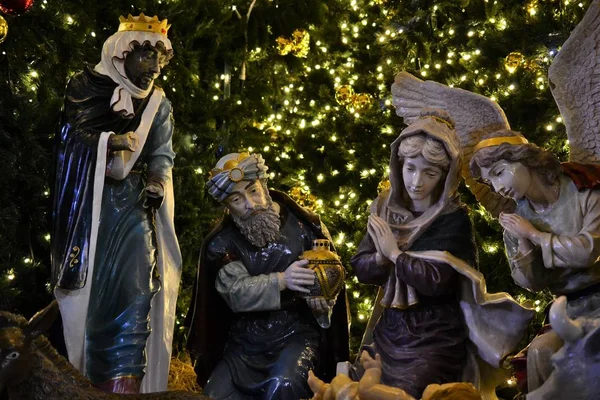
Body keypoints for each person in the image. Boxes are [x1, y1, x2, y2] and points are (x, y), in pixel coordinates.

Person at [50, 13, 181, 394]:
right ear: (123, 54)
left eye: (160, 60)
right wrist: (109, 142)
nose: (154, 68)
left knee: (139, 289)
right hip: (90, 212)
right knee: (92, 299)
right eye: (147, 58)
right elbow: (70, 140)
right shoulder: (84, 87)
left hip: (133, 209)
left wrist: (157, 181)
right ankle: (84, 381)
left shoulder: (157, 104)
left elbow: (162, 154)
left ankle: (125, 386)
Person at [185, 152, 349, 400]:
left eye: (253, 191)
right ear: (227, 207)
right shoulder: (222, 243)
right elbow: (236, 293)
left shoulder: (306, 227)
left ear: (264, 185)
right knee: (216, 394)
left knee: (283, 386)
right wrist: (282, 280)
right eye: (237, 199)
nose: (250, 204)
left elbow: (329, 277)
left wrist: (321, 305)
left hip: (295, 335)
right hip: (244, 345)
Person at [469, 129, 600, 392]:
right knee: (540, 352)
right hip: (568, 309)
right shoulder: (516, 217)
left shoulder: (583, 190)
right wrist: (525, 242)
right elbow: (532, 283)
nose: (497, 188)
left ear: (524, 159)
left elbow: (588, 251)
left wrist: (534, 234)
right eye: (489, 182)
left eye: (499, 172)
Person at [307, 351, 482, 400]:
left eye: (442, 387)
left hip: (354, 397)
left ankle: (322, 390)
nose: (436, 384)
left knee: (340, 381)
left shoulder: (401, 397)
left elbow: (365, 389)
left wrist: (373, 370)